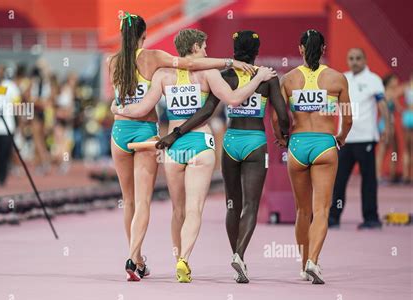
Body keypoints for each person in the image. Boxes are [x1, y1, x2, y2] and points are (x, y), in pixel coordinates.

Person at [112, 28, 276, 282]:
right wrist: (258, 78)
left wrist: (117, 107)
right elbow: (233, 100)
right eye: (205, 47)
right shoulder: (209, 73)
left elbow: (143, 108)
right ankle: (183, 261)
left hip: (174, 148)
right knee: (194, 209)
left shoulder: (163, 75)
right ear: (197, 47)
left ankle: (169, 257)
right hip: (199, 142)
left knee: (177, 210)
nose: (207, 51)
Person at [156, 30, 289, 283]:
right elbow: (282, 115)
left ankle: (181, 260)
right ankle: (238, 255)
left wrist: (173, 133)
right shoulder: (265, 77)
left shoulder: (221, 74)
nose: (207, 50)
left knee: (228, 204)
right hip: (254, 143)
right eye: (204, 46)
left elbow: (207, 110)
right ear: (257, 51)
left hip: (228, 143)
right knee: (249, 204)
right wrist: (285, 136)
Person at [278, 30, 352, 284]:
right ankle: (314, 261)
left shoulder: (287, 79)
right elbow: (348, 117)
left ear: (300, 49)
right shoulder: (337, 78)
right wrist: (340, 137)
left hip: (297, 146)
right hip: (324, 145)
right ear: (324, 49)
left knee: (302, 210)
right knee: (321, 209)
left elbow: (278, 117)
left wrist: (282, 138)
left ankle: (302, 264)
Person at [328, 48, 390, 230]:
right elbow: (330, 104)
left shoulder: (374, 80)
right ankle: (333, 217)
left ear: (364, 60)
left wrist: (387, 126)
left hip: (366, 138)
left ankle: (371, 218)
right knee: (338, 180)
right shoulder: (342, 78)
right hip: (344, 138)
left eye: (358, 58)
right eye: (351, 58)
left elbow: (383, 105)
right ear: (347, 60)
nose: (354, 61)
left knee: (368, 181)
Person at [376, 74, 400, 183]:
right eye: (394, 80)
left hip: (384, 123)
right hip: (387, 124)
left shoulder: (383, 93)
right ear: (389, 82)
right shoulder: (389, 94)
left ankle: (382, 175)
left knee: (386, 150)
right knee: (388, 150)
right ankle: (384, 176)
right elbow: (398, 109)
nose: (396, 82)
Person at [402, 73, 413, 183]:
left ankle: (406, 175)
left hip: (408, 115)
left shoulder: (407, 87)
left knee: (407, 148)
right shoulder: (406, 87)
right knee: (410, 148)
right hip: (410, 115)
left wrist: (401, 109)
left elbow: (392, 95)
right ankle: (409, 176)